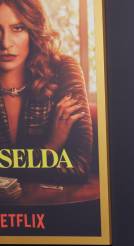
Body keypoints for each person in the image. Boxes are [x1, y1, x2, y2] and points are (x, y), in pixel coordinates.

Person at [0, 0, 93, 185]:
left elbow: (78, 166)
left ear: (33, 30)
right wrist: (49, 149)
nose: (5, 43)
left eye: (18, 28)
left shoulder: (63, 70)